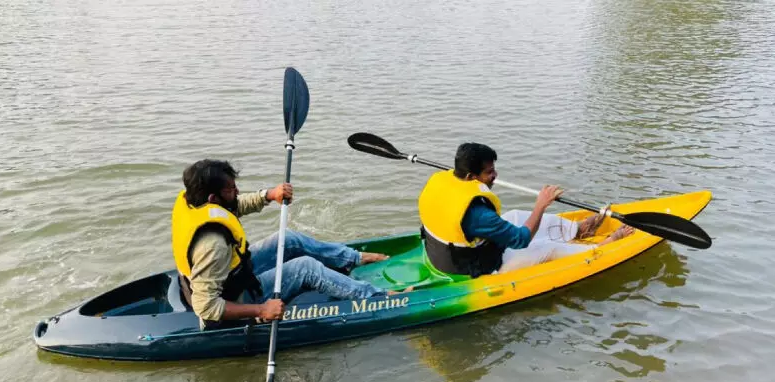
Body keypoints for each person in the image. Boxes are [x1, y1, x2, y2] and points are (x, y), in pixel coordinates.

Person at [171, 159, 394, 329]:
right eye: (231, 189)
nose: (237, 192)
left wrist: (269, 195)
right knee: (306, 268)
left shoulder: (193, 200)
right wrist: (262, 309)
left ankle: (353, 258)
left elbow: (233, 206)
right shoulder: (213, 246)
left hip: (235, 274)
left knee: (287, 239)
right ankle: (376, 298)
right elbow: (206, 307)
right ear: (213, 198)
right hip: (233, 298)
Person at [417, 143, 634, 277]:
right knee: (547, 248)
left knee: (516, 216)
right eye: (489, 172)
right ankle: (599, 247)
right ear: (471, 177)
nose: (495, 176)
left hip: (444, 251)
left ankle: (576, 230)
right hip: (472, 266)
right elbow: (521, 240)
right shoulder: (478, 214)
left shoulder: (443, 179)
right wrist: (541, 204)